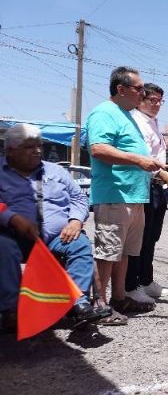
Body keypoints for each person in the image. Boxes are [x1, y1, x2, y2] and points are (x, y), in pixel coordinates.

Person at [0, 124, 108, 332]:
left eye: (39, 146)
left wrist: (75, 220)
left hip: (57, 236)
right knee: (3, 247)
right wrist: (12, 218)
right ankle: (10, 310)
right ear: (10, 150)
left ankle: (78, 304)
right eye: (29, 147)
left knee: (79, 244)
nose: (37, 151)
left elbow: (78, 198)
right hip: (14, 236)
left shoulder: (56, 171)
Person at [87, 66, 164, 319]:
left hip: (134, 196)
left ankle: (119, 298)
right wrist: (138, 160)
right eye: (138, 88)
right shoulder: (104, 113)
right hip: (115, 195)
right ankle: (100, 305)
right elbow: (98, 149)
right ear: (120, 89)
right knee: (107, 253)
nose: (142, 93)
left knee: (124, 252)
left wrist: (163, 174)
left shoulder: (126, 115)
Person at [125, 83, 168, 305]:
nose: (157, 105)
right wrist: (167, 176)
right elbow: (145, 158)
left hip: (157, 187)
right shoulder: (136, 122)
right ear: (140, 100)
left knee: (152, 237)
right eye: (152, 100)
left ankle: (146, 280)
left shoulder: (154, 122)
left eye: (160, 101)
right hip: (143, 185)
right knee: (138, 239)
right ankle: (131, 286)